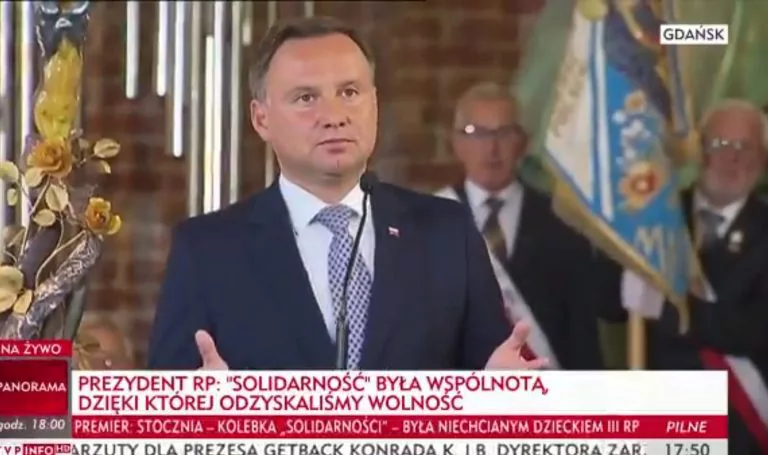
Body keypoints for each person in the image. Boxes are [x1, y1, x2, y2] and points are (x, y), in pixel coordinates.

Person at [147, 16, 547, 371]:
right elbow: (160, 414)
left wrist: (500, 390)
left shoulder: (447, 233)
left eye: (350, 92)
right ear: (261, 118)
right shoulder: (207, 251)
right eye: (306, 98)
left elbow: (492, 377)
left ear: (375, 103)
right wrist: (199, 410)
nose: (334, 116)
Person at [618, 99, 768, 454]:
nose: (732, 158)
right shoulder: (655, 220)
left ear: (763, 159)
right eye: (720, 143)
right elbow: (607, 305)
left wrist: (668, 308)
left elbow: (755, 330)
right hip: (661, 421)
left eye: (744, 147)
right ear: (700, 151)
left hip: (739, 430)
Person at [435, 82, 604, 370]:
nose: (492, 148)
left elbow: (582, 332)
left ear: (523, 143)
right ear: (456, 143)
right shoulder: (432, 220)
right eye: (478, 133)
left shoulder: (563, 221)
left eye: (505, 133)